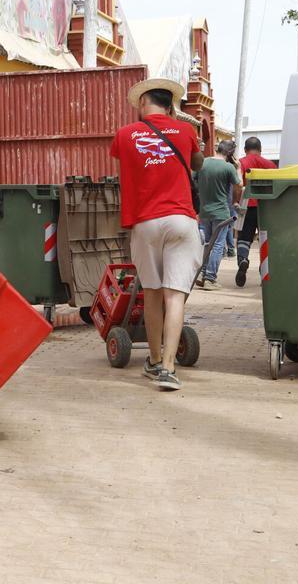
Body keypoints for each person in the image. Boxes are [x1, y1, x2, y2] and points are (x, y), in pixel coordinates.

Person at [109, 78, 204, 391]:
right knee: (174, 295)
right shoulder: (187, 131)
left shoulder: (125, 134)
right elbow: (197, 163)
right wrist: (185, 131)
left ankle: (152, 359)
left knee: (151, 292)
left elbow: (123, 159)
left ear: (142, 103)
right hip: (181, 219)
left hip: (146, 221)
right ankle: (168, 367)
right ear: (171, 105)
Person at [195, 140, 243, 289]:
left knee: (207, 243)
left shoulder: (202, 163)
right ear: (230, 153)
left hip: (204, 211)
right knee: (217, 245)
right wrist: (238, 168)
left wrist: (201, 193)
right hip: (221, 212)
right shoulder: (228, 167)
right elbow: (239, 184)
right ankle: (210, 278)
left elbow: (193, 180)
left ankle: (203, 274)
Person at [236, 136, 278, 288]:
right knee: (265, 239)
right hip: (265, 206)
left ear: (245, 149)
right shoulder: (270, 165)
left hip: (246, 204)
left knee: (244, 237)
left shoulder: (240, 163)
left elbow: (237, 184)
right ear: (260, 150)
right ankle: (264, 272)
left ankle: (243, 260)